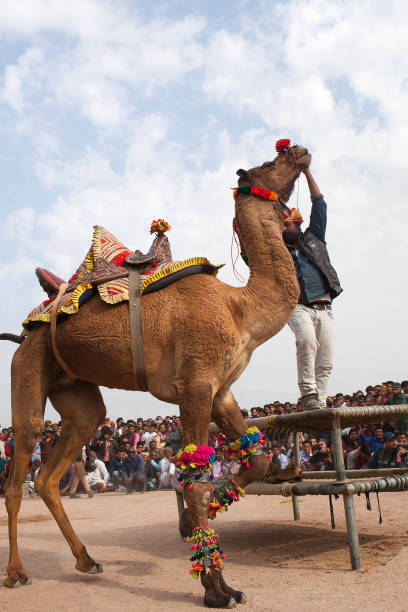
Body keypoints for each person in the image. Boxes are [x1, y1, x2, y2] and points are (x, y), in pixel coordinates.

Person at [283, 160, 342, 411]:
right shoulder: (279, 252)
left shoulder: (314, 236)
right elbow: (249, 257)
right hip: (298, 305)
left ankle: (320, 400)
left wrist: (306, 172)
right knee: (306, 341)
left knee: (325, 357)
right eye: (281, 226)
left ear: (297, 223)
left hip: (324, 305)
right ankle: (308, 395)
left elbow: (319, 203)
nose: (284, 228)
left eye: (287, 223)